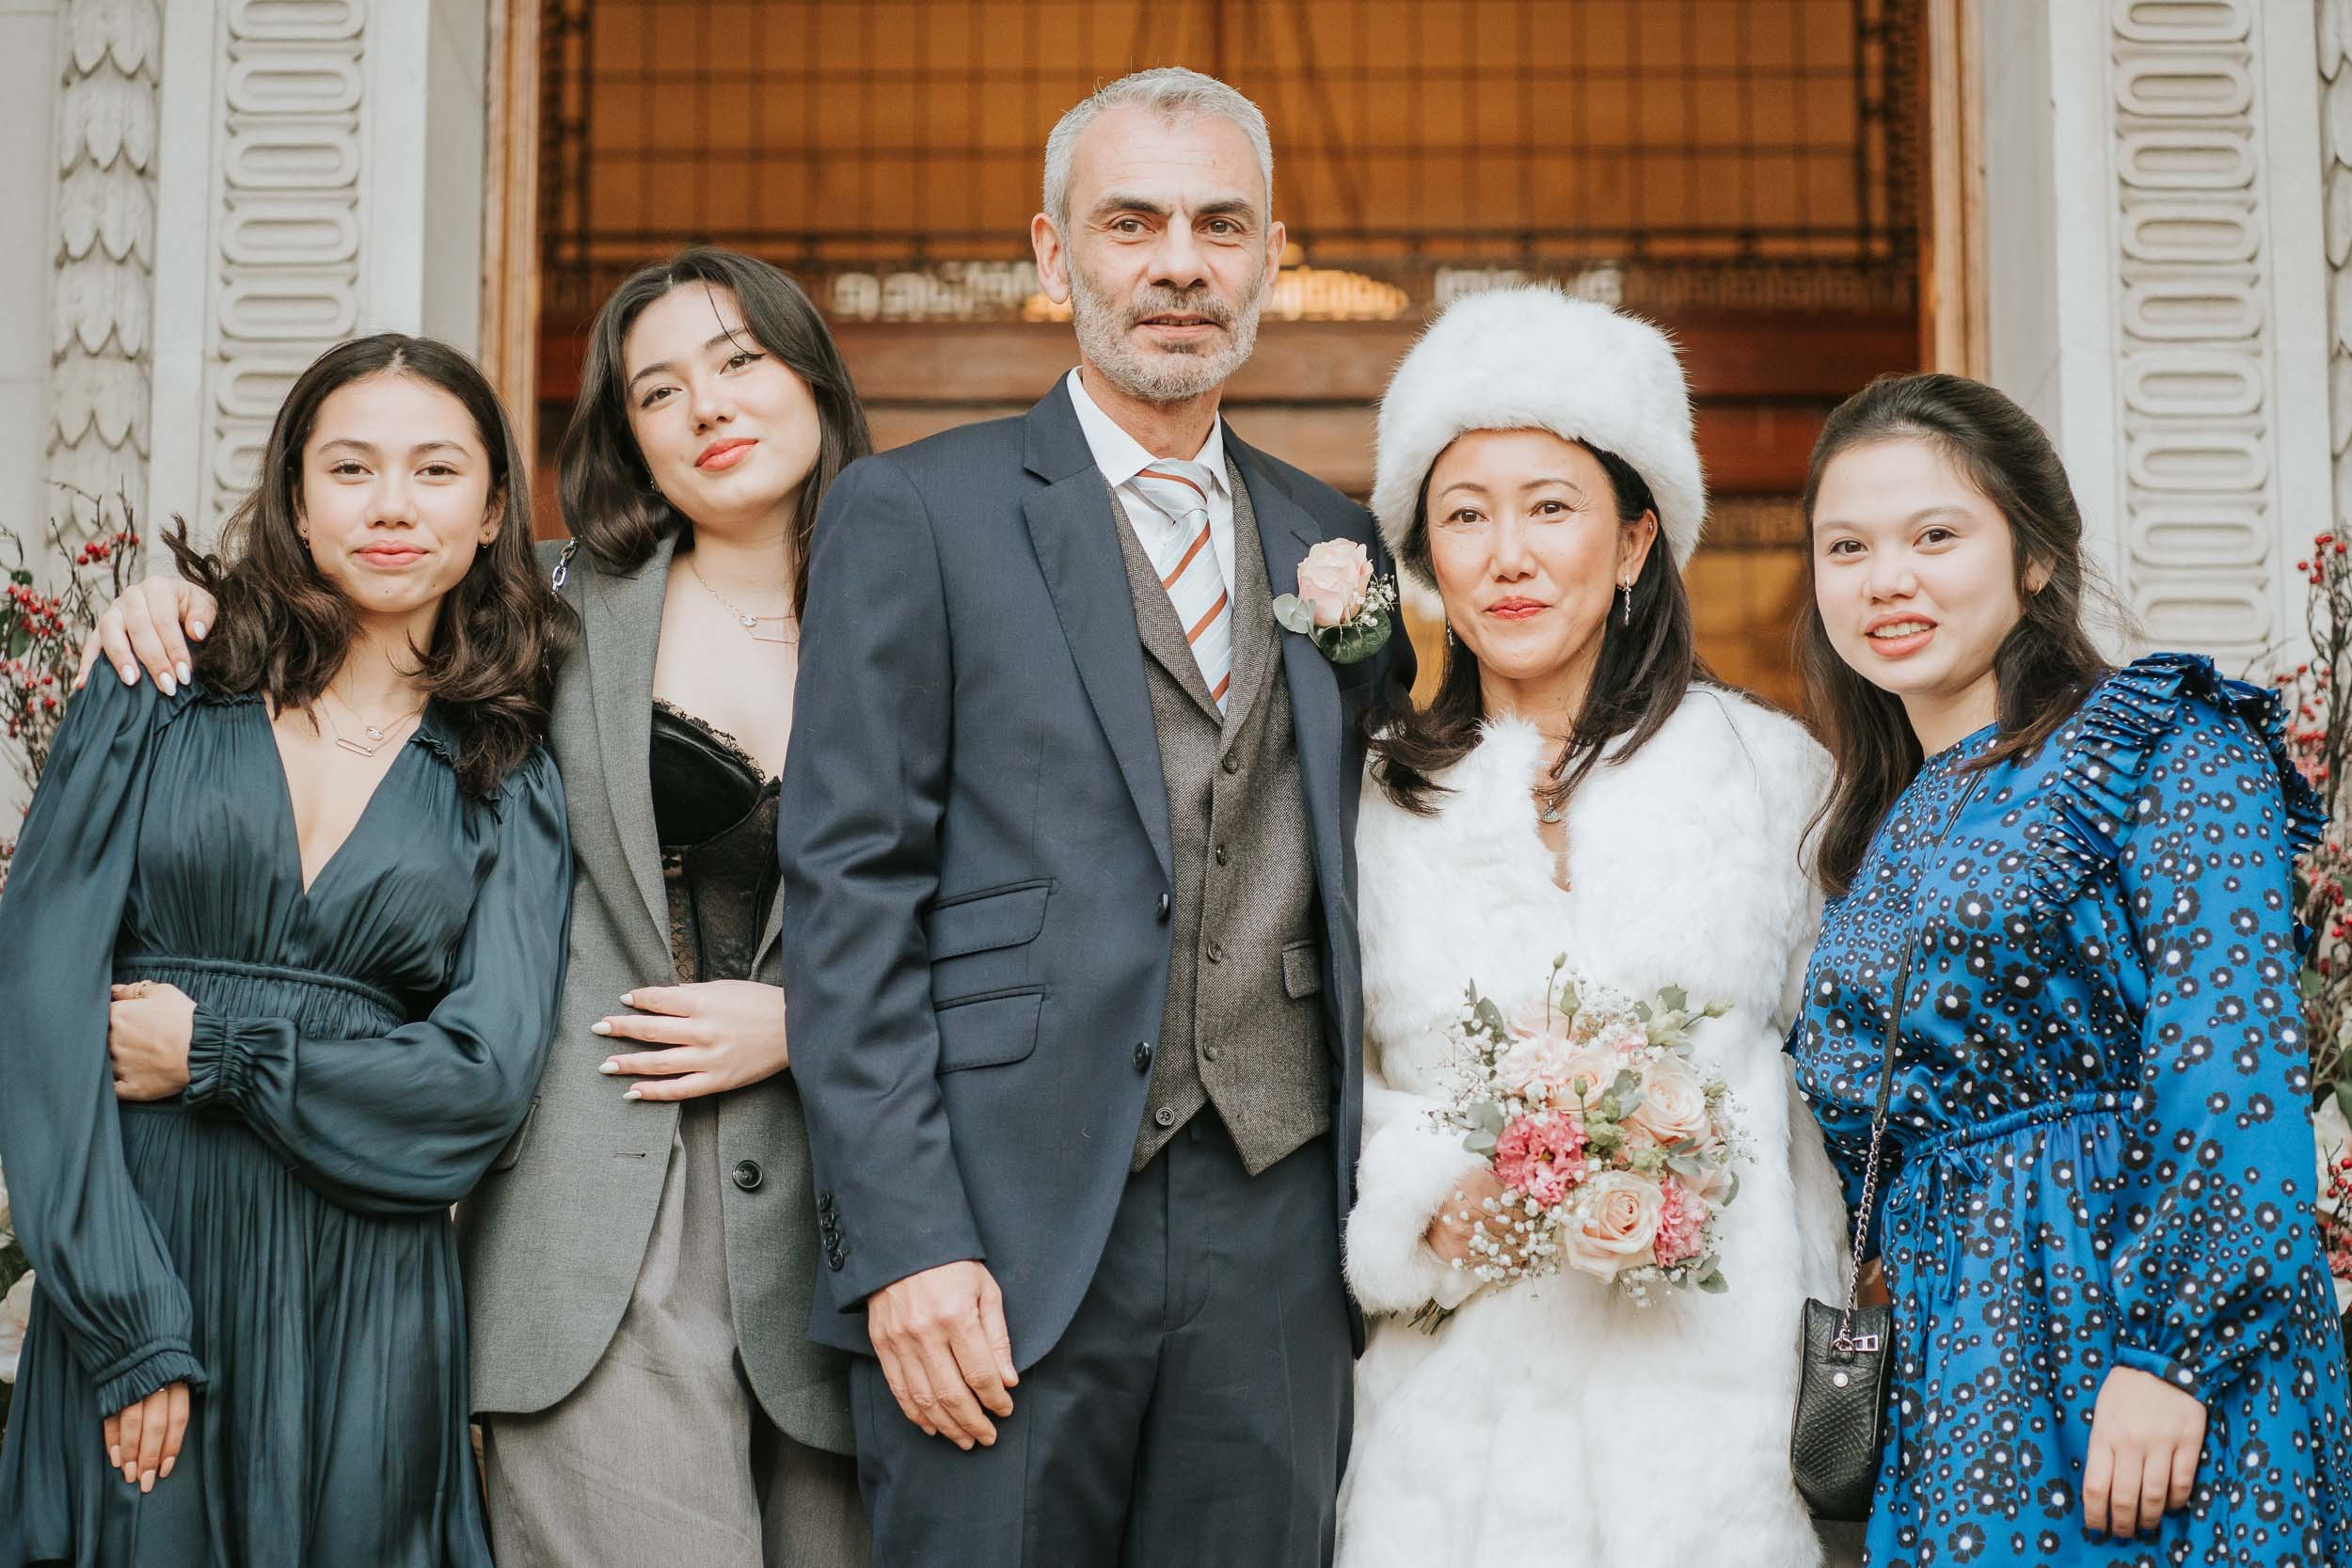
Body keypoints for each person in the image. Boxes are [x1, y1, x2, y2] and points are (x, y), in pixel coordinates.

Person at [78, 248, 876, 1568]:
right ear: (623, 432)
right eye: (658, 388)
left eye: (739, 362)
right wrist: (181, 604)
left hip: (857, 1223)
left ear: (812, 375)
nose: (709, 408)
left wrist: (813, 1020)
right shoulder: (543, 610)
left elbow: (1019, 907)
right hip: (593, 1223)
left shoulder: (949, 603)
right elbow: (355, 595)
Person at [777, 68, 1414, 1565]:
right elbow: (848, 887)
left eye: (1220, 224)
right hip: (996, 1217)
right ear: (1057, 259)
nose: (1179, 262)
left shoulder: (1338, 541)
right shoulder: (913, 512)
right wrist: (907, 1237)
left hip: (1279, 1219)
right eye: (1131, 223)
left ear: (1269, 258)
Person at [0, 334, 572, 1566]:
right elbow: (41, 1006)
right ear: (297, 500)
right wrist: (130, 1321)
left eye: (435, 471)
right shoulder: (155, 684)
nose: (391, 506)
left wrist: (222, 1050)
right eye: (352, 468)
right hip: (151, 1248)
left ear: (488, 513)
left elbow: (481, 1080)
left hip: (366, 1295)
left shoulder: (507, 766)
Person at [1788, 372, 2352, 1564]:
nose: (1886, 577)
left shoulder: (2167, 741)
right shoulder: (1873, 825)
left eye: (1934, 535)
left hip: (2140, 1344)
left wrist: (2172, 1356)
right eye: (1846, 546)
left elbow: (2231, 1063)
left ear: (2034, 557)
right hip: (1956, 1367)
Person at [1331, 285, 1851, 1566]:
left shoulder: (1772, 775)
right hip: (1452, 1445)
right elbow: (1323, 1082)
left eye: (1550, 507)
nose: (1508, 554)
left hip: (1720, 1440)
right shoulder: (1368, 798)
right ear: (1427, 560)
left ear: (1632, 541)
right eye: (1466, 515)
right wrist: (1429, 1205)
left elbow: (1845, 1088)